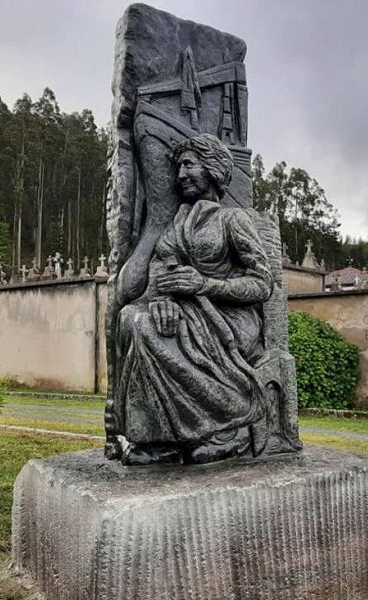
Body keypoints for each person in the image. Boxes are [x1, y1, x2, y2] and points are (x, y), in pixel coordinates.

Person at [112, 133, 273, 465]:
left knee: (145, 328)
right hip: (187, 311)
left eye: (189, 165)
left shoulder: (232, 219)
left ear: (212, 168)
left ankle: (227, 425)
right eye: (178, 168)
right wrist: (160, 300)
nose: (180, 175)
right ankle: (161, 437)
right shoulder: (178, 223)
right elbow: (161, 270)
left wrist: (205, 284)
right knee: (131, 316)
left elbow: (262, 283)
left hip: (228, 319)